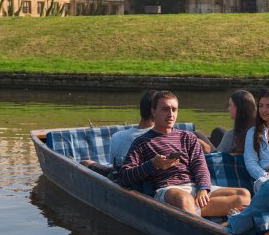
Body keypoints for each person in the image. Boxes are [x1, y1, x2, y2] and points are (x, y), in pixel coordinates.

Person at [117, 91, 250, 217]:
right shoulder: (142, 142)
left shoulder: (188, 137)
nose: (171, 114)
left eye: (174, 109)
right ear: (153, 111)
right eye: (165, 109)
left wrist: (203, 188)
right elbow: (124, 177)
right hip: (168, 189)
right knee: (183, 199)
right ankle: (199, 220)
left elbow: (200, 166)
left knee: (244, 195)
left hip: (193, 187)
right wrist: (153, 164)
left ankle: (191, 211)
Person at [82, 90, 158, 176]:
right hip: (135, 180)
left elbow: (112, 166)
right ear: (154, 112)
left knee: (85, 163)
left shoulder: (117, 136)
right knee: (87, 163)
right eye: (165, 109)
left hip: (119, 179)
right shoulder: (160, 137)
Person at [213, 90, 257, 155]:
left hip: (227, 160)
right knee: (219, 131)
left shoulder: (232, 135)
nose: (228, 108)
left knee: (199, 134)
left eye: (230, 105)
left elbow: (216, 156)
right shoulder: (260, 130)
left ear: (238, 108)